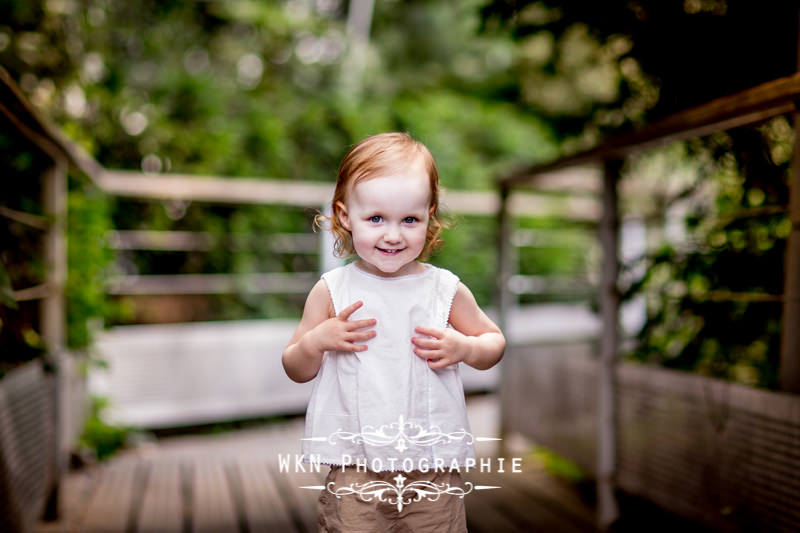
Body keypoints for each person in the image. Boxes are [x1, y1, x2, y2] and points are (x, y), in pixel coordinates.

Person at [282, 132, 505, 532]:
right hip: (355, 466)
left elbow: (494, 342)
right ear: (345, 215)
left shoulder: (443, 289)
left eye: (409, 220)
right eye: (376, 218)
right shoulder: (333, 291)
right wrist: (317, 341)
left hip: (432, 464)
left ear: (428, 216)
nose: (393, 234)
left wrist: (465, 347)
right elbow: (294, 365)